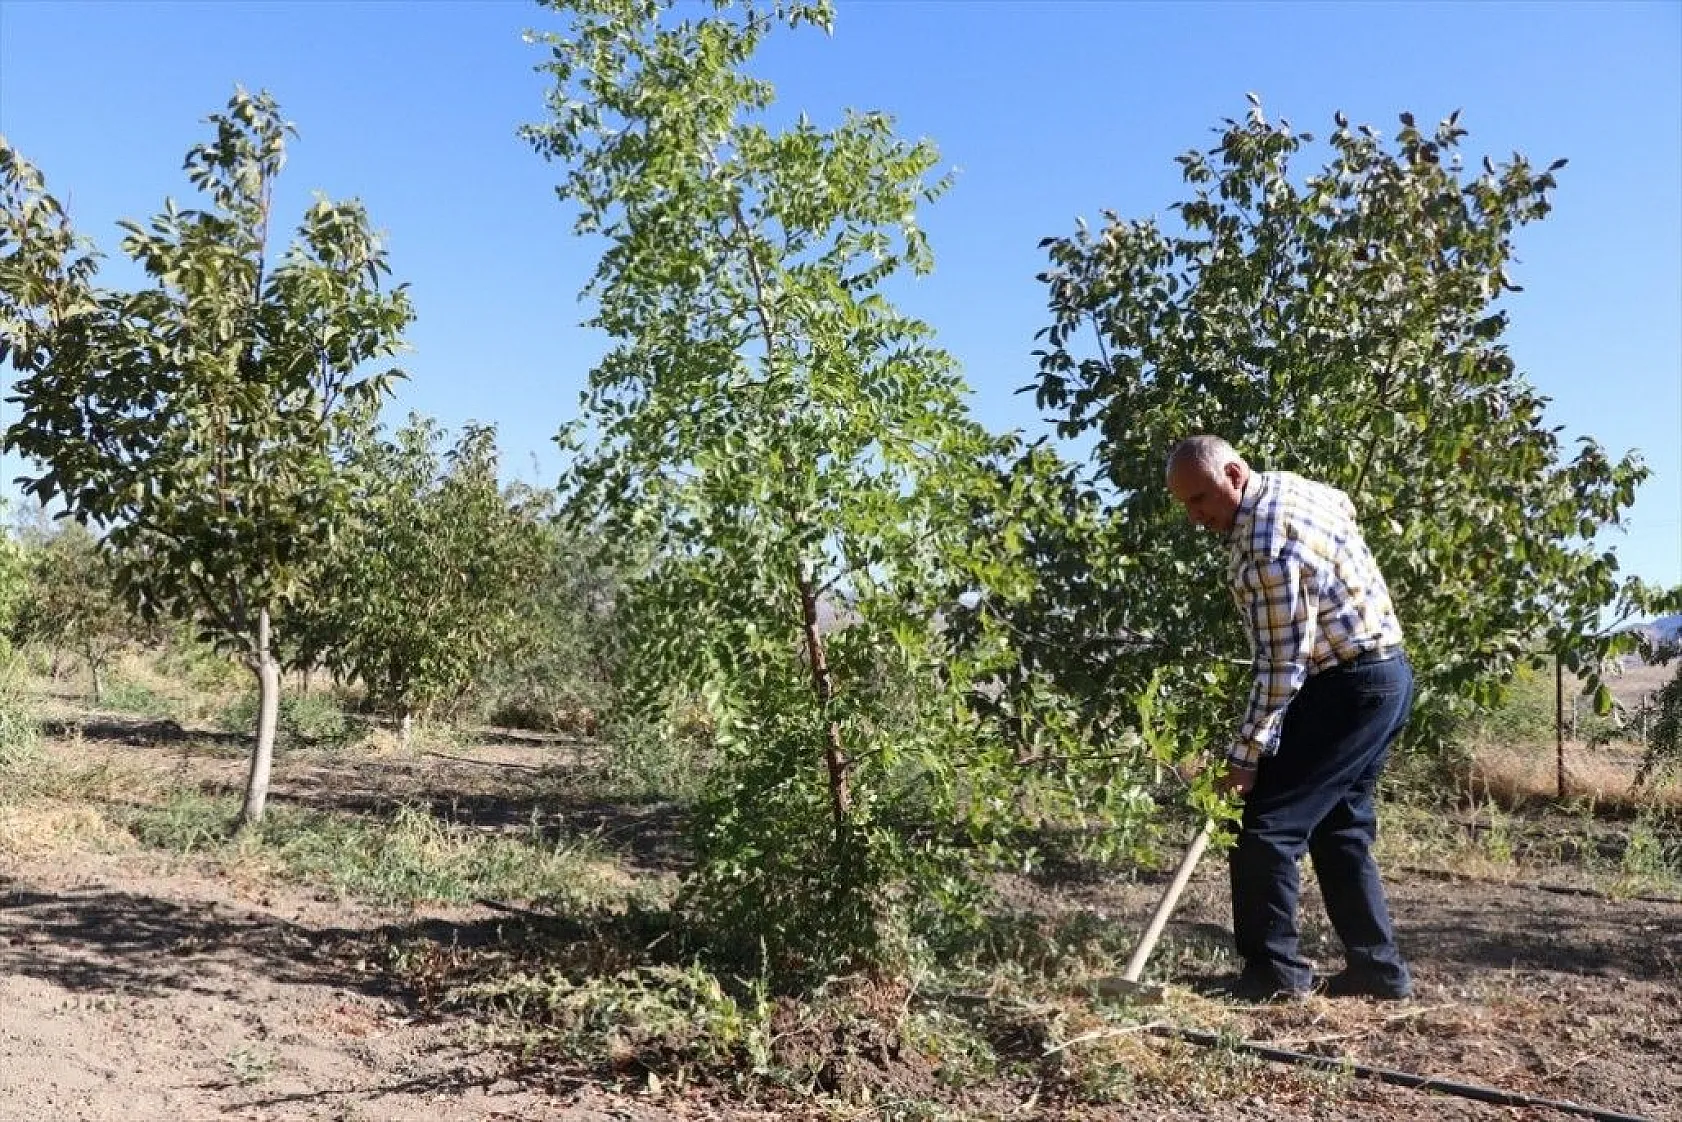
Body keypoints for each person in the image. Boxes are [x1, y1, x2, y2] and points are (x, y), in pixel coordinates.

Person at [1165, 435, 1415, 1001]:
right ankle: (1378, 972)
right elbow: (1344, 502)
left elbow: (1281, 665)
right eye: (1186, 504)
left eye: (1201, 499)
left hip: (1347, 687)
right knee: (1340, 825)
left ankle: (1274, 976)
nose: (1196, 517)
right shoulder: (1291, 489)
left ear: (1234, 473)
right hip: (1388, 676)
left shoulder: (1264, 546)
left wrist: (1243, 758)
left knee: (1265, 829)